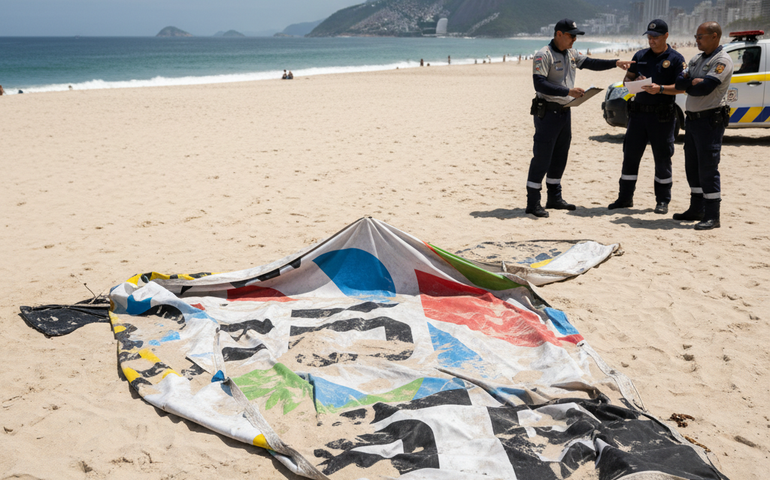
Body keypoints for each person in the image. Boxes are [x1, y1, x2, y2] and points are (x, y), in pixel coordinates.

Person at [526, 18, 634, 217]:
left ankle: (554, 198)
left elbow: (591, 62)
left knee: (560, 156)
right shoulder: (544, 55)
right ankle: (533, 202)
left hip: (565, 112)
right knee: (542, 157)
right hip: (547, 113)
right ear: (559, 34)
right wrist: (567, 90)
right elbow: (539, 84)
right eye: (571, 36)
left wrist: (615, 63)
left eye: (576, 36)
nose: (574, 40)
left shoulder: (572, 54)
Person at [608, 19, 685, 214]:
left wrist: (658, 89)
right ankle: (625, 198)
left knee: (662, 159)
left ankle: (662, 201)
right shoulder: (640, 55)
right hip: (638, 115)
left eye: (655, 37)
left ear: (666, 36)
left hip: (662, 118)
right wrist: (631, 81)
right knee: (630, 157)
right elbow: (628, 80)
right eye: (649, 37)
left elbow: (681, 88)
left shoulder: (676, 59)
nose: (651, 40)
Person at [673, 21, 733, 230]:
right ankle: (696, 208)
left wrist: (693, 83)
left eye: (700, 36)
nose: (696, 40)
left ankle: (712, 215)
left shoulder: (722, 60)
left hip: (710, 121)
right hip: (693, 120)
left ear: (714, 36)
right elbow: (679, 82)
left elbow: (704, 89)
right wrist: (693, 82)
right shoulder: (697, 58)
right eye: (696, 36)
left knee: (708, 168)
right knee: (692, 167)